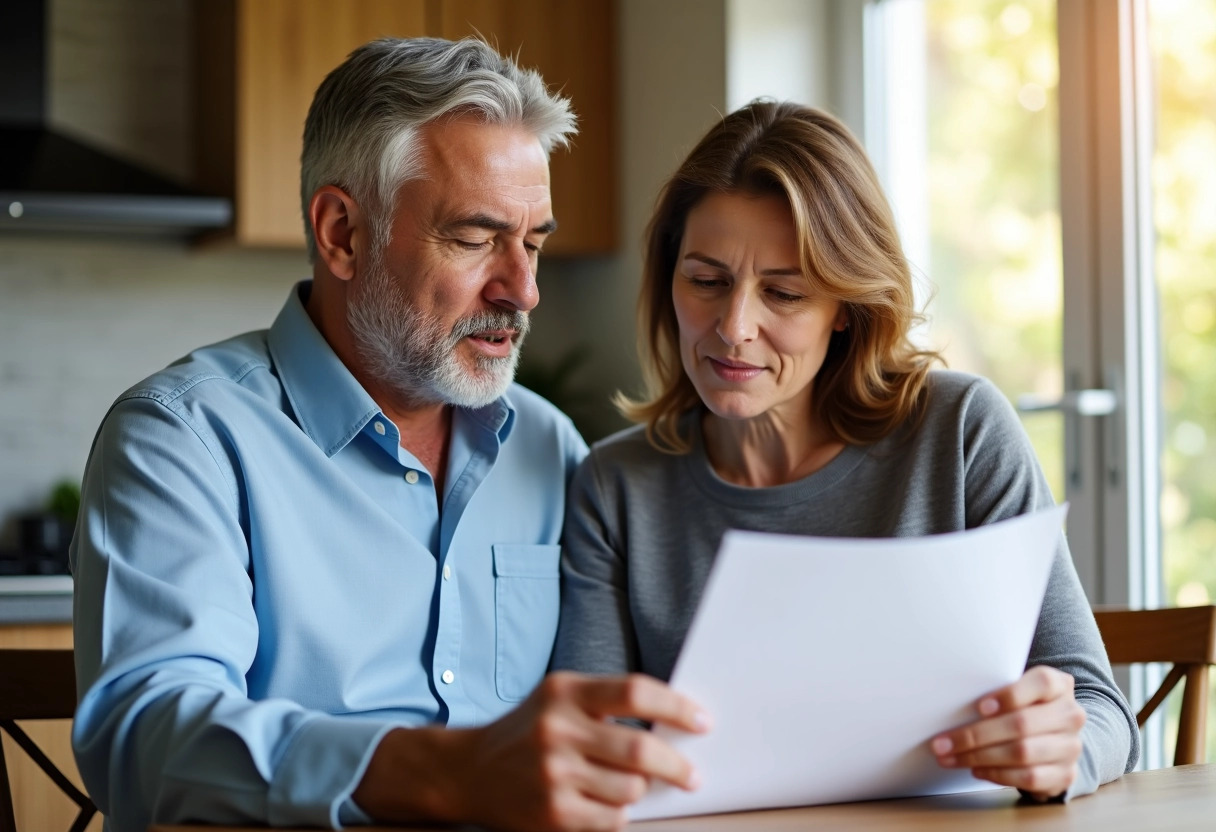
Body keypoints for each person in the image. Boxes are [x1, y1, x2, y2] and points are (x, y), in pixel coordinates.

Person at [70, 37, 706, 832]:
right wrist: (447, 774)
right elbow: (146, 740)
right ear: (342, 232)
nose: (525, 290)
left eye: (533, 243)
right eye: (475, 239)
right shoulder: (183, 440)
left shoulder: (551, 447)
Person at [551, 100, 1139, 802]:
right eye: (706, 281)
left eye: (785, 293)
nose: (734, 327)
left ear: (847, 310)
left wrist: (1059, 755)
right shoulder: (616, 486)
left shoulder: (960, 432)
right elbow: (592, 752)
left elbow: (1103, 714)